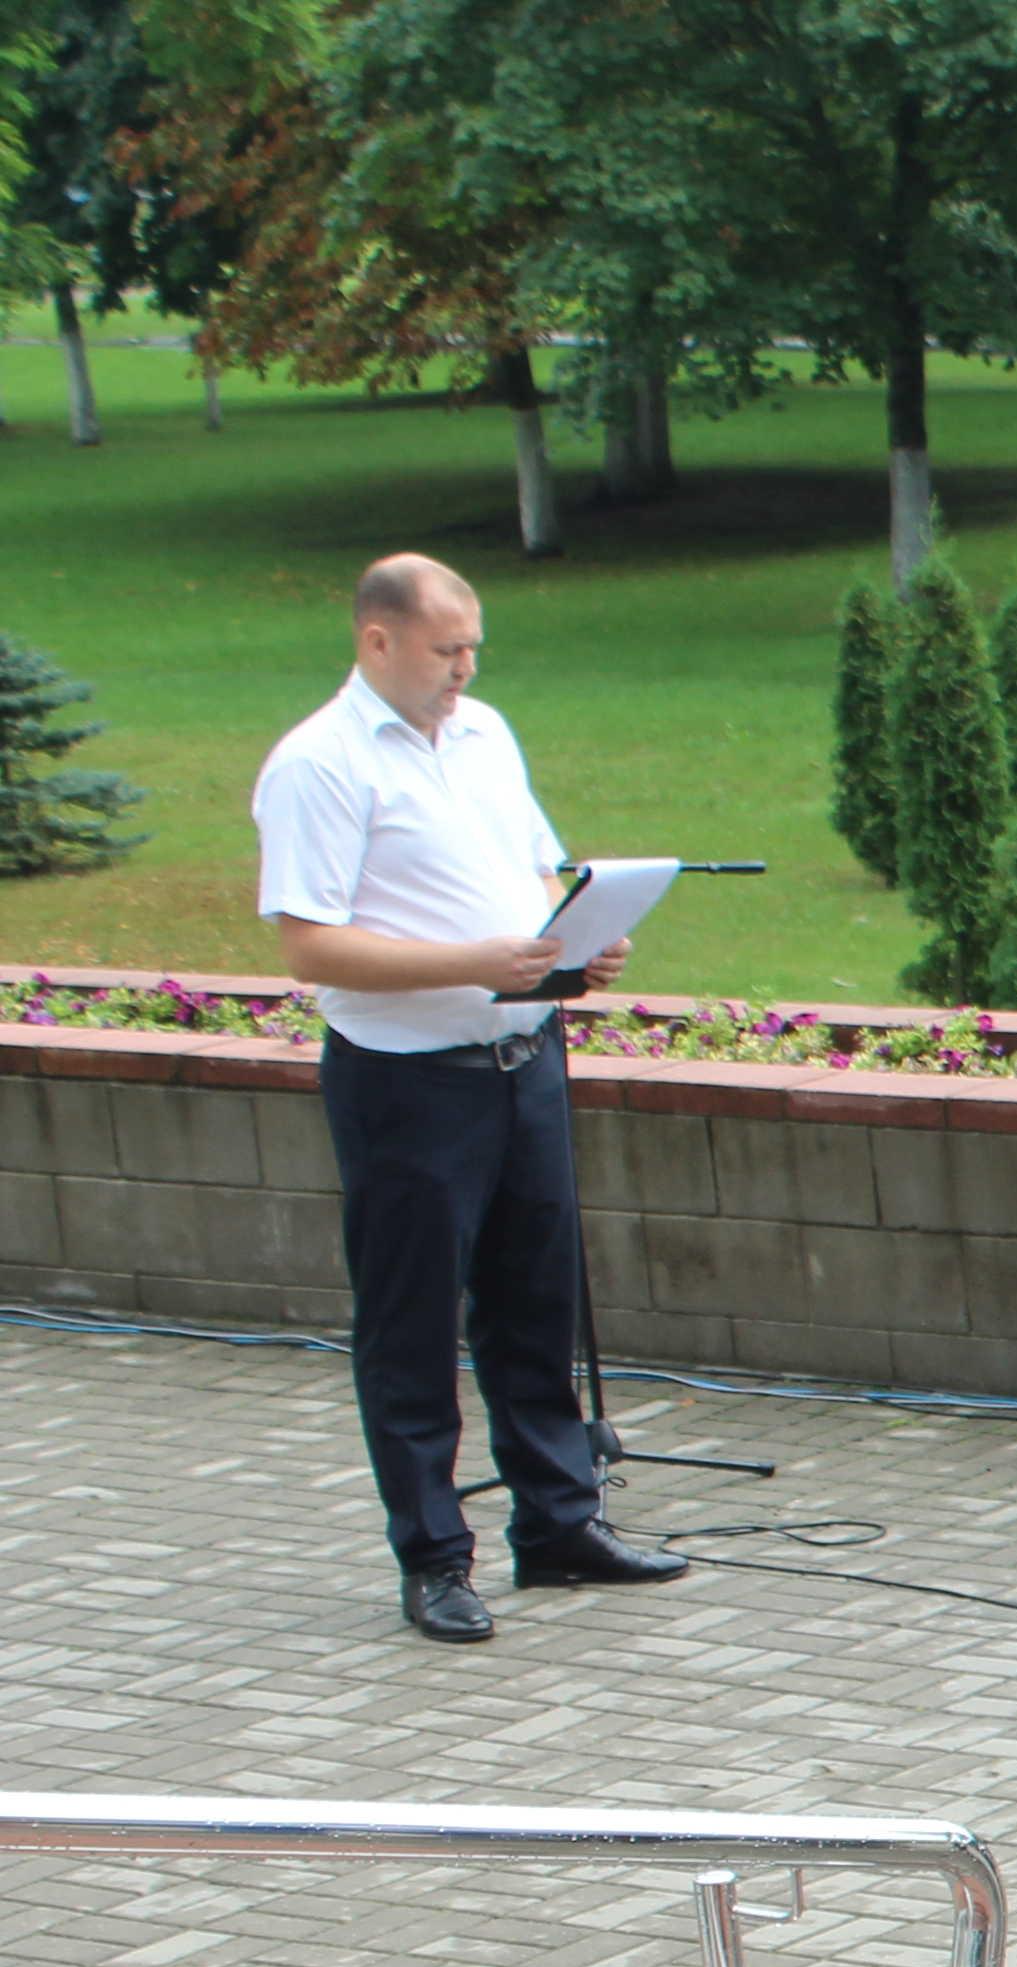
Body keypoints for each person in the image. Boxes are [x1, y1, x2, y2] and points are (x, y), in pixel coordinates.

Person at [250, 552, 687, 1644]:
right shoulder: (320, 764)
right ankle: (435, 1556)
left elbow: (540, 868)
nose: (465, 667)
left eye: (474, 646)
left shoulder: (486, 733)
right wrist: (473, 958)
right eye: (447, 649)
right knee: (410, 1324)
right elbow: (312, 947)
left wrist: (577, 933)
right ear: (378, 641)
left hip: (521, 1061)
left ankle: (558, 1523)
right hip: (407, 1083)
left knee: (535, 1304)